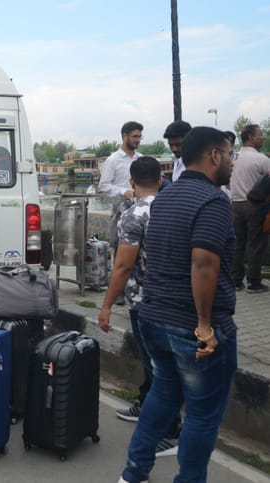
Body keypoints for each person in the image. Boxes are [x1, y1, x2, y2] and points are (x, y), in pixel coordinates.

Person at [118, 127, 237, 483]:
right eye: (229, 155)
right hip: (192, 326)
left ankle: (133, 473)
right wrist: (205, 325)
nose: (232, 162)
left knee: (162, 395)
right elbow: (203, 263)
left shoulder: (164, 198)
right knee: (202, 414)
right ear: (214, 155)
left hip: (154, 316)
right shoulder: (214, 201)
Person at [98, 156, 181, 458]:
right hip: (175, 299)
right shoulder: (175, 209)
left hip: (144, 302)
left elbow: (122, 267)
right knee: (162, 366)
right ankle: (149, 408)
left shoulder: (133, 215)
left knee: (156, 367)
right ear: (160, 180)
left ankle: (170, 432)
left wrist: (107, 305)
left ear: (132, 183)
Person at [99, 121, 143, 305]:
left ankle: (136, 289)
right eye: (135, 136)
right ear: (125, 136)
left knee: (139, 251)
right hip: (121, 209)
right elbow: (103, 186)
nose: (138, 140)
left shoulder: (140, 159)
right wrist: (123, 191)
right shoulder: (113, 160)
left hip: (140, 209)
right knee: (120, 249)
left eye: (140, 136)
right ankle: (117, 292)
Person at [230, 124, 270, 293]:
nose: (263, 137)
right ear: (251, 138)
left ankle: (236, 280)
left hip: (235, 205)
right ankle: (254, 282)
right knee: (256, 243)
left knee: (238, 244)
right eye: (260, 134)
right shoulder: (261, 159)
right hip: (255, 206)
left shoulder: (234, 158)